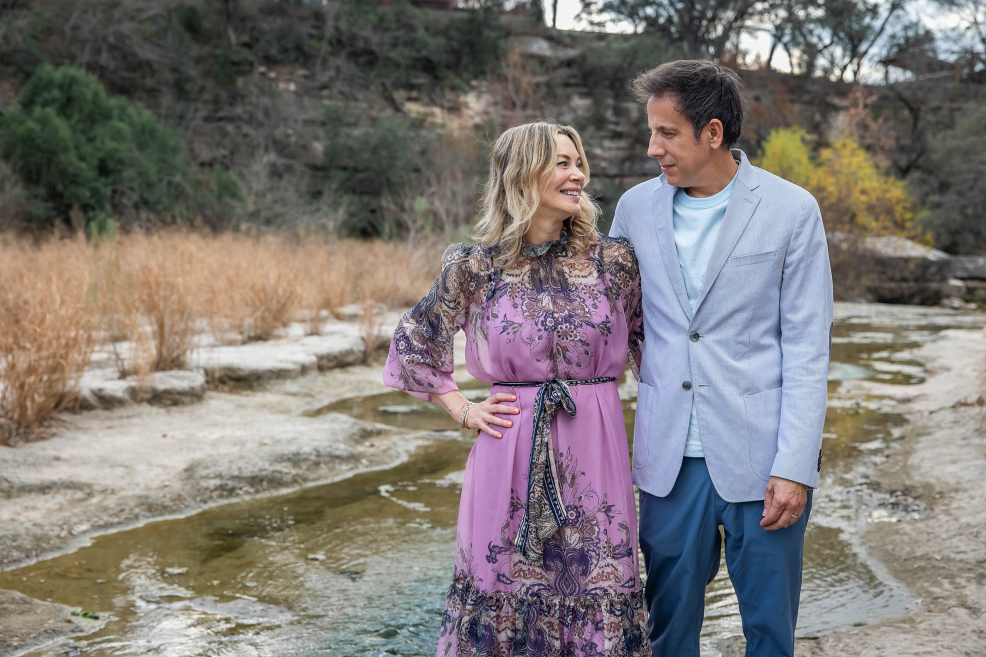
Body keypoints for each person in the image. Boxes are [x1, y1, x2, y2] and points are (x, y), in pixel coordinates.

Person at [383, 121, 650, 657]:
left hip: (596, 448)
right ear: (522, 174)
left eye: (579, 163)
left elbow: (655, 352)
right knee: (504, 585)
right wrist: (463, 409)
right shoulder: (475, 266)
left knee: (598, 588)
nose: (578, 175)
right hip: (508, 448)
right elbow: (415, 341)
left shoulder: (614, 261)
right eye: (562, 163)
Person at [609, 60, 834, 657]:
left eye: (667, 133)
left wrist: (795, 467)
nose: (652, 147)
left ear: (713, 133)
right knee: (668, 627)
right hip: (667, 462)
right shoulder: (634, 209)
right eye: (652, 131)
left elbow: (809, 350)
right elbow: (611, 320)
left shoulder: (791, 209)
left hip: (763, 460)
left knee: (768, 630)